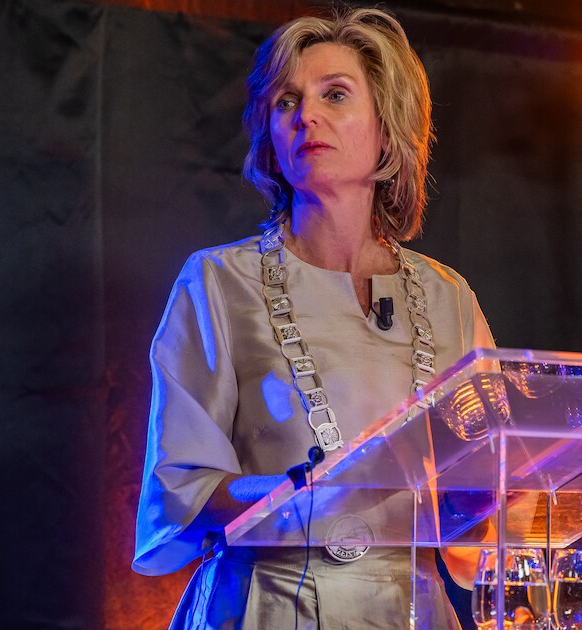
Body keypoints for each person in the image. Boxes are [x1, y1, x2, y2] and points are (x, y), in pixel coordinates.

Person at [133, 6, 495, 628]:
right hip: (265, 606)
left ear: (387, 129)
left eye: (335, 94)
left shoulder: (448, 297)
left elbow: (485, 509)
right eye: (286, 102)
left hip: (414, 611)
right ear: (271, 141)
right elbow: (179, 494)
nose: (306, 116)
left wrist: (494, 497)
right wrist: (302, 491)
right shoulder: (218, 281)